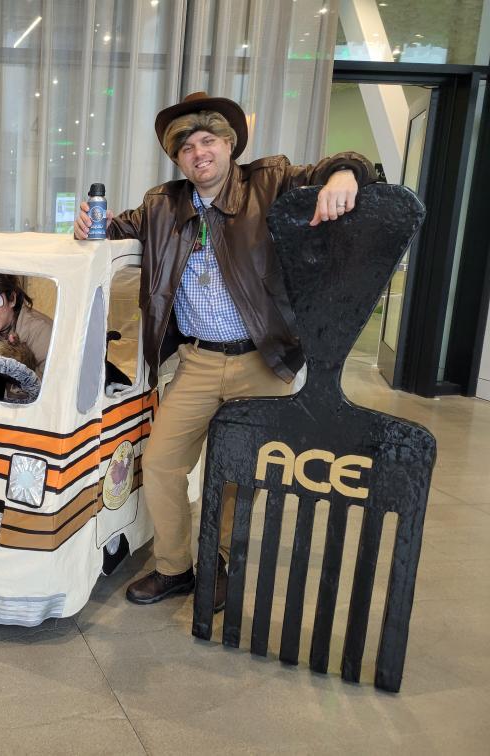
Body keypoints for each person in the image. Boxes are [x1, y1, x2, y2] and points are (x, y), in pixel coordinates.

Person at [74, 92, 377, 607]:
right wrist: (87, 227)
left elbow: (337, 164)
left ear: (229, 144)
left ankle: (220, 560)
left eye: (208, 140)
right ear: (178, 157)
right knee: (164, 461)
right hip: (196, 361)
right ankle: (175, 568)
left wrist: (347, 173)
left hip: (261, 360)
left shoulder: (270, 180)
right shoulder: (161, 204)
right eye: (187, 146)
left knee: (238, 471)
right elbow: (115, 231)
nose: (199, 153)